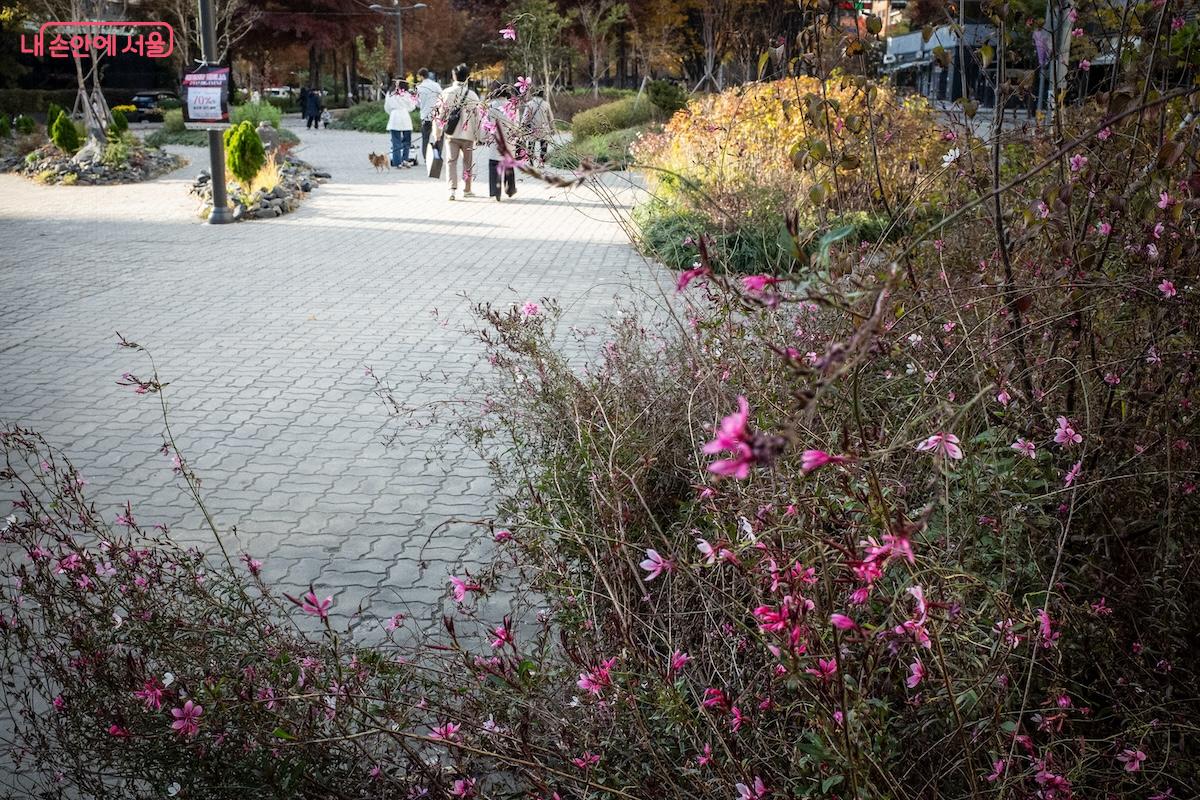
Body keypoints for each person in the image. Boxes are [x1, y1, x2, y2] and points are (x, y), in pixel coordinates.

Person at [432, 63, 482, 201]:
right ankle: (467, 189)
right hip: (468, 135)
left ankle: (452, 190)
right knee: (467, 162)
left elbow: (439, 114)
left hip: (451, 134)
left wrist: (437, 133)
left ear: (454, 76)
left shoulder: (447, 92)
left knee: (451, 161)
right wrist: (479, 136)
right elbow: (478, 117)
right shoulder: (472, 95)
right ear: (467, 77)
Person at [483, 82, 519, 202]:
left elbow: (485, 125)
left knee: (494, 164)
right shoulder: (512, 106)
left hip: (495, 140)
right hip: (509, 139)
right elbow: (516, 125)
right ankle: (510, 188)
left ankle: (495, 191)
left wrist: (484, 138)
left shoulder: (490, 106)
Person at [384, 80, 416, 168]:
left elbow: (387, 107)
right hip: (405, 116)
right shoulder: (407, 94)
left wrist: (392, 112)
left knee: (396, 141)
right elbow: (412, 106)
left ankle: (397, 162)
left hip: (394, 116)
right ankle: (405, 159)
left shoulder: (390, 94)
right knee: (407, 141)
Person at [415, 68, 441, 166]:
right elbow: (442, 97)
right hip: (436, 115)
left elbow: (417, 103)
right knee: (438, 137)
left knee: (425, 138)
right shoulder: (436, 85)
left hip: (425, 116)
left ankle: (426, 158)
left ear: (421, 76)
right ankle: (437, 156)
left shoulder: (419, 87)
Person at [522, 88, 554, 164]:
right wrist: (553, 128)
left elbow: (525, 117)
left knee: (531, 144)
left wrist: (522, 126)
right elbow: (551, 117)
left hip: (532, 127)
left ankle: (531, 162)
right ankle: (541, 162)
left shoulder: (529, 104)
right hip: (544, 128)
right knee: (543, 145)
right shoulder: (546, 104)